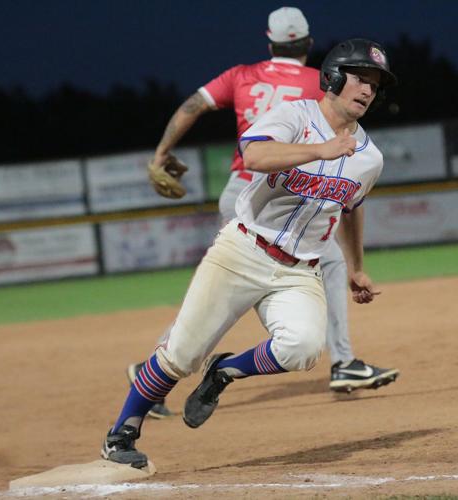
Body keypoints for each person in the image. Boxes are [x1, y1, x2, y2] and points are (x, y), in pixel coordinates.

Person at [102, 37, 398, 468]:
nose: (368, 90)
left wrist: (356, 267)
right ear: (332, 77)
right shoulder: (295, 115)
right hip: (242, 251)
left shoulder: (369, 158)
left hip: (300, 270)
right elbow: (254, 154)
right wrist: (320, 149)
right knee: (181, 355)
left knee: (302, 348)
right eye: (360, 78)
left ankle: (225, 371)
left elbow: (351, 208)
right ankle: (121, 433)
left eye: (375, 84)